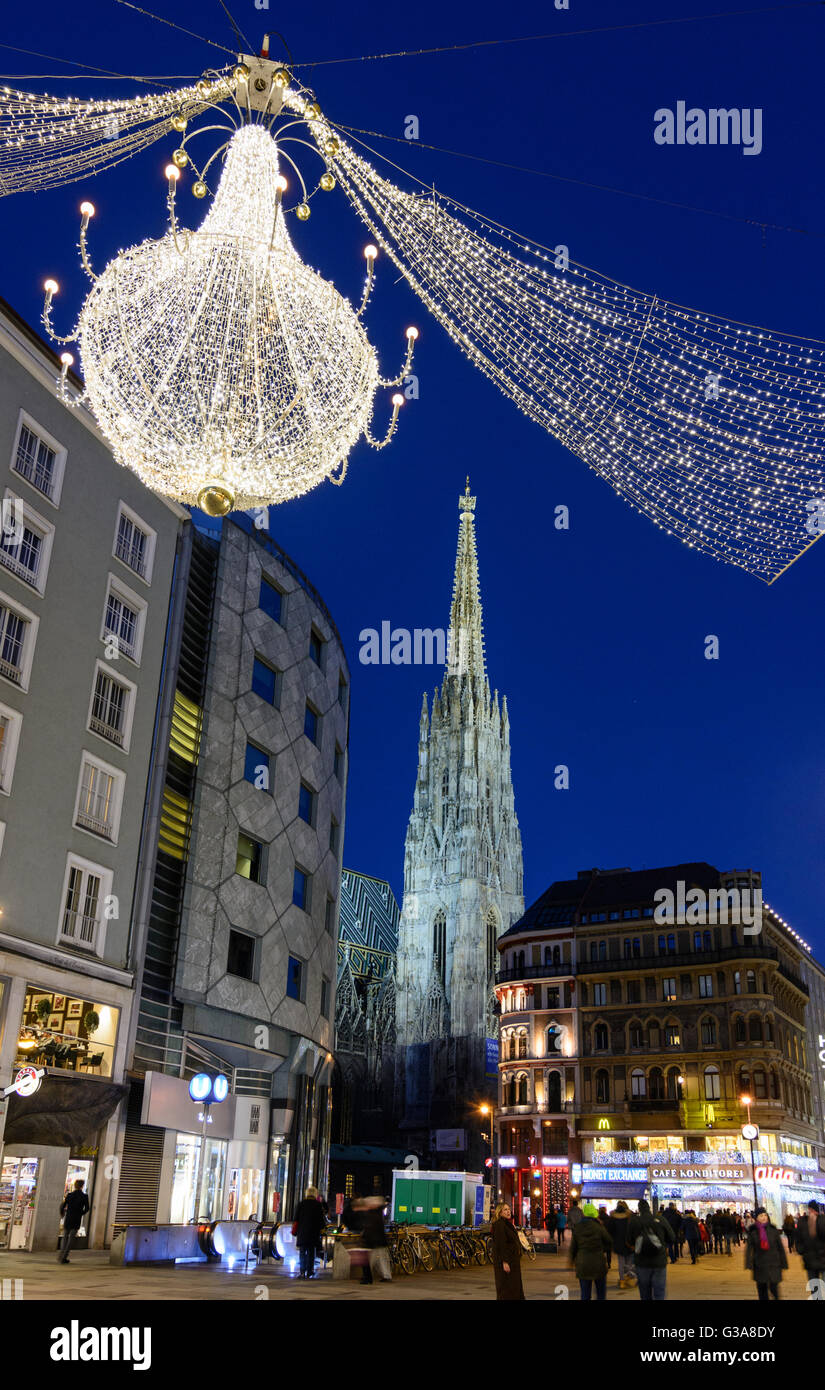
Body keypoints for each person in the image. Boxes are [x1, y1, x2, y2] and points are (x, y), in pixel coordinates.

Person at [627, 1200, 674, 1300]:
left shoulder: (634, 1221)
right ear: (649, 1208)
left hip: (641, 1262)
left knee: (645, 1293)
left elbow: (628, 1241)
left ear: (639, 1209)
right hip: (659, 1261)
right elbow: (672, 1237)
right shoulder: (660, 1219)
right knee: (659, 1293)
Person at [569, 1202, 612, 1301]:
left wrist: (571, 1262)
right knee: (601, 1294)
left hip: (583, 1264)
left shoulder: (578, 1228)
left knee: (585, 1294)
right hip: (598, 1264)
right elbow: (609, 1241)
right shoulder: (599, 1227)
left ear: (584, 1214)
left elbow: (573, 1248)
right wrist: (602, 1249)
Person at [745, 1208, 787, 1301]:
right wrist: (748, 1262)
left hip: (774, 1263)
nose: (764, 1217)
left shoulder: (773, 1230)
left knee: (774, 1288)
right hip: (760, 1264)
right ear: (756, 1218)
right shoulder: (753, 1232)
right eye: (761, 1216)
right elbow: (749, 1249)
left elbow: (780, 1248)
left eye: (765, 1215)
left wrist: (784, 1263)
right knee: (762, 1290)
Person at [491, 1202, 525, 1300]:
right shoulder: (499, 1225)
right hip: (506, 1261)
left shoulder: (507, 1224)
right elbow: (501, 1244)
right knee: (507, 1288)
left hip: (513, 1260)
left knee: (514, 1286)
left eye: (509, 1209)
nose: (508, 1211)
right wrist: (505, 1262)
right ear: (500, 1212)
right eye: (505, 1209)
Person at [293, 1184, 326, 1279]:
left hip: (302, 1232)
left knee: (302, 1252)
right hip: (313, 1233)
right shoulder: (318, 1205)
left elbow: (296, 1219)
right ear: (315, 1194)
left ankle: (302, 1271)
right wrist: (323, 1229)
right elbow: (321, 1220)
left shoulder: (301, 1204)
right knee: (311, 1252)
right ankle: (310, 1271)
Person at [360, 1196, 391, 1283]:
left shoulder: (372, 1214)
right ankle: (386, 1275)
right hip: (379, 1240)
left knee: (372, 1259)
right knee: (381, 1259)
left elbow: (370, 1228)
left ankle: (368, 1277)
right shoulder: (378, 1212)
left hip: (375, 1241)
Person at [606, 1198, 635, 1290]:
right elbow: (634, 1229)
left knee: (621, 1263)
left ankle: (622, 1281)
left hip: (618, 1243)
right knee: (629, 1262)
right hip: (629, 1242)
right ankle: (628, 1278)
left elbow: (609, 1230)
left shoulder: (613, 1217)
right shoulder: (631, 1216)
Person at [58, 1179, 89, 1264]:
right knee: (71, 1239)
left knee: (64, 1237)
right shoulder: (84, 1196)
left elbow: (63, 1205)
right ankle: (64, 1257)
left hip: (68, 1218)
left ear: (75, 1186)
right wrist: (80, 1213)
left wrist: (62, 1213)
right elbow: (87, 1208)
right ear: (82, 1186)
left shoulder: (70, 1195)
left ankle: (61, 1255)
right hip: (76, 1219)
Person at [795, 1200, 825, 1286]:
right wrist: (801, 1250)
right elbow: (798, 1238)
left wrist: (818, 1221)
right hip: (809, 1259)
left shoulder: (822, 1220)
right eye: (810, 1209)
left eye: (813, 1209)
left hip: (822, 1258)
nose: (811, 1211)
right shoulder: (803, 1222)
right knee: (815, 1289)